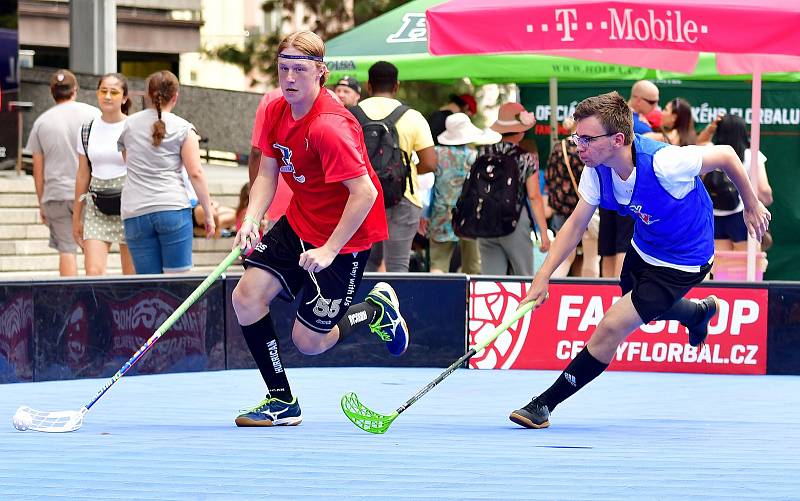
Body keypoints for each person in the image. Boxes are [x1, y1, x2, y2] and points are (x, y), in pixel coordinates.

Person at [509, 91, 770, 429]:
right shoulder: (596, 169)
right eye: (577, 137)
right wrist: (542, 276)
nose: (578, 146)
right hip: (644, 248)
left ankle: (544, 404)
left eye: (587, 138)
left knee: (612, 325)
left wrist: (750, 205)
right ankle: (698, 312)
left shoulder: (665, 163)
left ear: (618, 139)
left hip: (684, 260)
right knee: (641, 305)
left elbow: (727, 155)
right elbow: (575, 225)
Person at [231, 31, 408, 427]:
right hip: (300, 220)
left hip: (345, 237)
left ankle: (375, 311)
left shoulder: (329, 126)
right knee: (246, 297)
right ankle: (281, 400)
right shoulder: (277, 110)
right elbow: (267, 172)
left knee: (308, 343)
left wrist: (329, 249)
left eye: (299, 70)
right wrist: (251, 218)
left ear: (321, 72)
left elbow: (362, 193)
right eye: (283, 69)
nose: (289, 78)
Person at [117, 70, 215, 274]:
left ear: (148, 94)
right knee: (177, 282)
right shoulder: (184, 128)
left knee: (148, 283)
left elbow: (127, 160)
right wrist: (208, 213)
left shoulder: (129, 125)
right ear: (175, 96)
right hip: (172, 207)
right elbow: (195, 172)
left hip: (135, 210)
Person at [358, 61, 437, 272]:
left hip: (360, 198)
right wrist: (402, 173)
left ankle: (362, 305)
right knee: (397, 266)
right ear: (396, 86)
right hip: (402, 198)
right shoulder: (412, 117)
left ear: (368, 85)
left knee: (365, 265)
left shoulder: (352, 115)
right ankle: (394, 304)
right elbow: (430, 163)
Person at [27, 69, 99, 276]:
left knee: (66, 250)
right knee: (91, 249)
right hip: (88, 193)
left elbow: (37, 170)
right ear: (75, 90)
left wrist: (41, 201)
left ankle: (71, 304)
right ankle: (93, 303)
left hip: (56, 194)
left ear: (52, 92)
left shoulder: (41, 122)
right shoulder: (93, 114)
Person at [72, 73, 135, 275]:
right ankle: (97, 309)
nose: (108, 96)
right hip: (97, 203)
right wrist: (76, 217)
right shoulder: (86, 129)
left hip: (129, 204)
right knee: (93, 272)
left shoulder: (133, 127)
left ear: (124, 97)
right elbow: (83, 174)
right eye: (103, 91)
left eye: (114, 92)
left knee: (132, 274)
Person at [477, 102, 550, 276]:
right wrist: (544, 233)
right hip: (515, 221)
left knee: (491, 281)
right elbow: (534, 197)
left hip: (486, 221)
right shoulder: (526, 157)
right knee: (523, 278)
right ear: (521, 130)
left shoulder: (483, 153)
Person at [429, 112, 499, 273]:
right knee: (473, 265)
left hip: (442, 212)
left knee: (438, 263)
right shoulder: (476, 156)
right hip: (470, 215)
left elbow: (427, 184)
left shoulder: (436, 153)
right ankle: (469, 297)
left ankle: (437, 296)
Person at [544, 117, 600, 278]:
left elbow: (549, 177)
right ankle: (591, 294)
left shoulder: (557, 148)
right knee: (592, 256)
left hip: (562, 209)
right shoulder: (588, 148)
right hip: (586, 208)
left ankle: (553, 288)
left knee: (563, 257)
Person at [708, 114, 773, 251]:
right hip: (742, 215)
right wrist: (765, 202)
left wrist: (709, 129)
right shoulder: (752, 155)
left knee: (723, 266)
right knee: (748, 265)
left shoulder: (710, 151)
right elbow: (764, 190)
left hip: (714, 215)